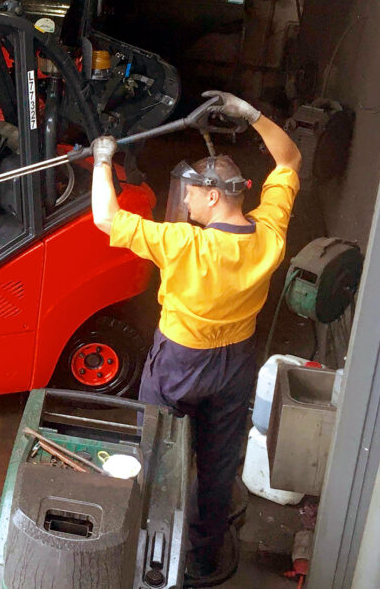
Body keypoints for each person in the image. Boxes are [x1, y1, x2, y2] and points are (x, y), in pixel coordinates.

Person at [89, 91, 301, 584]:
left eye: (190, 192)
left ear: (212, 195)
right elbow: (289, 158)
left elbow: (106, 218)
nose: (183, 199)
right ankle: (203, 556)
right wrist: (254, 116)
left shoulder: (184, 243)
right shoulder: (269, 235)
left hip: (179, 364)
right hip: (235, 365)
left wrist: (102, 160)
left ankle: (150, 546)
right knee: (218, 461)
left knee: (158, 453)